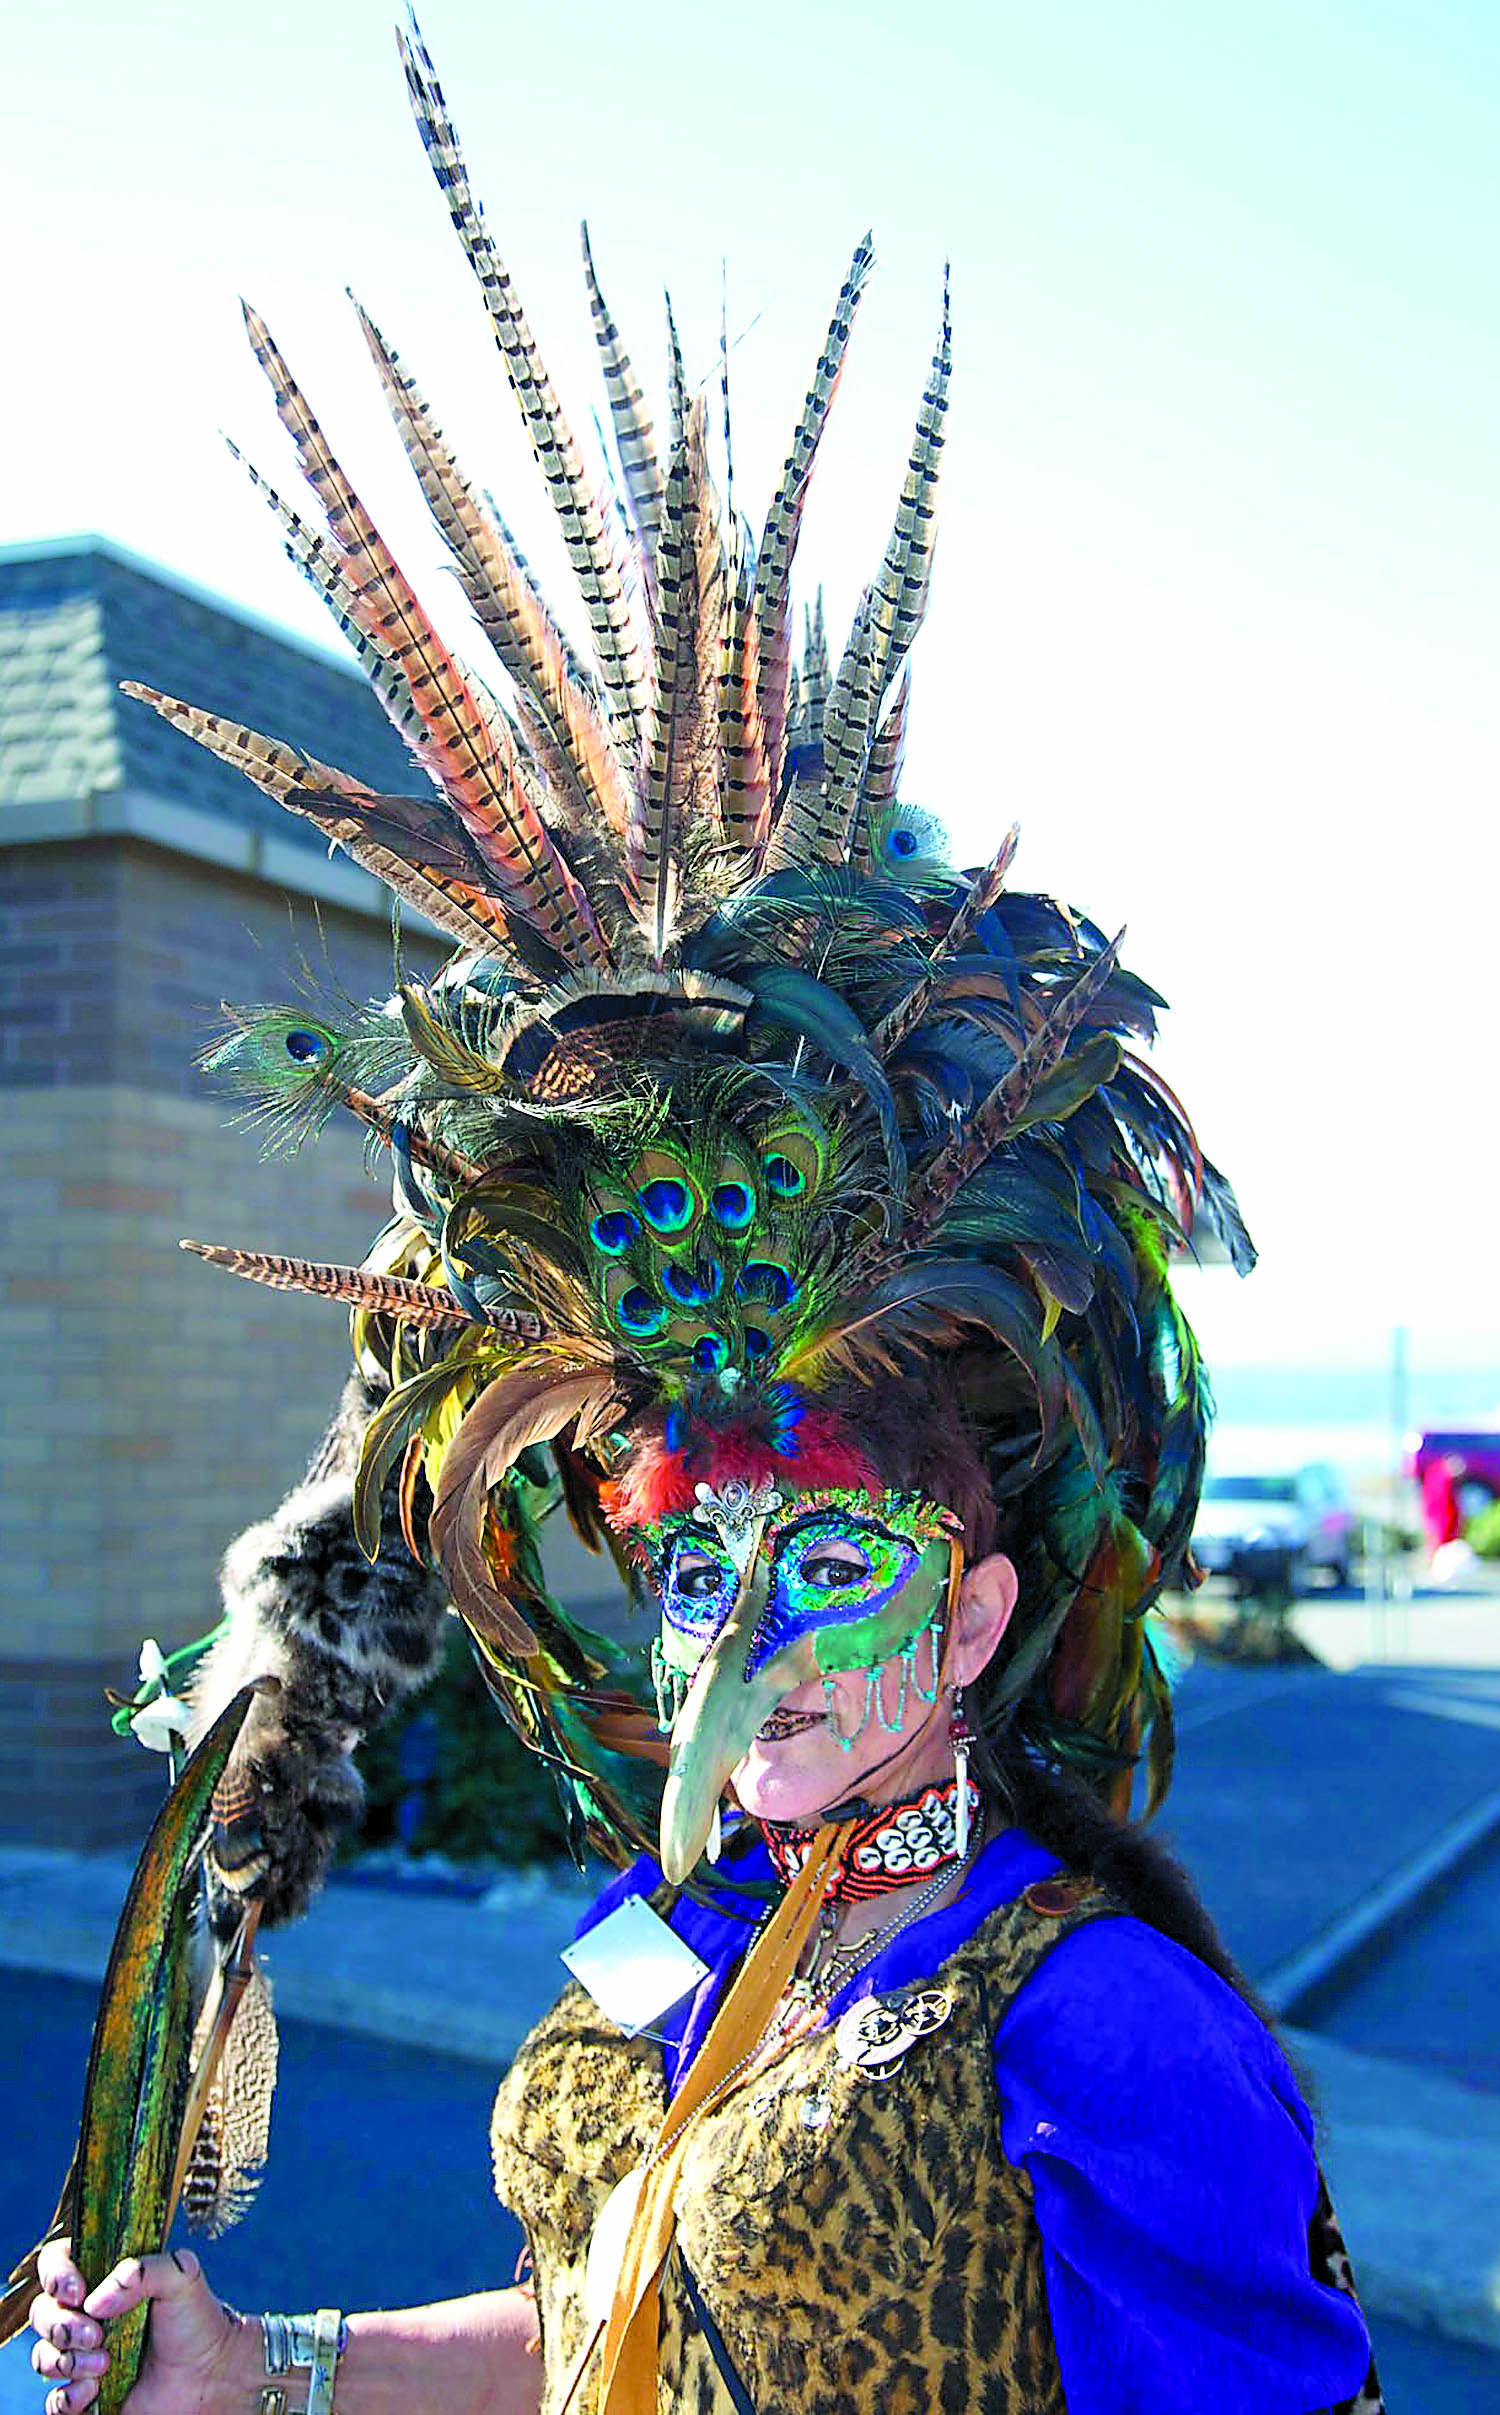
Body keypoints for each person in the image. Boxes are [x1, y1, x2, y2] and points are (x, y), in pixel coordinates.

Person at [25, 23, 1381, 2415]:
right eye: (695, 1567)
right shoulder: (690, 1920)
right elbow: (598, 2331)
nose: (742, 1631)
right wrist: (274, 2371)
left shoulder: (1105, 2022)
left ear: (976, 1609)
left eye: (828, 1566)